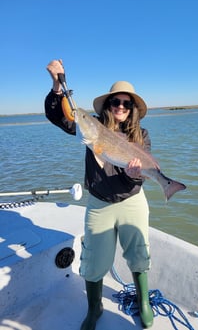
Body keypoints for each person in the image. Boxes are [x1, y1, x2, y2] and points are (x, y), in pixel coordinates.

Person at [45, 59, 154, 329]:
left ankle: (143, 303)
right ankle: (95, 307)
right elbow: (63, 117)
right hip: (99, 203)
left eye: (126, 104)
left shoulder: (142, 135)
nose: (120, 107)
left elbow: (142, 173)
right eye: (115, 102)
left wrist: (134, 173)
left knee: (139, 253)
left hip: (132, 202)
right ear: (107, 105)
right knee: (93, 260)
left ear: (132, 109)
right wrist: (57, 86)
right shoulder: (91, 127)